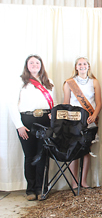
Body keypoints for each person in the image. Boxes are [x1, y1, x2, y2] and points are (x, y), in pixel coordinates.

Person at [9, 55, 56, 201]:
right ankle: (30, 189)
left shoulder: (48, 82)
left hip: (44, 121)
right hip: (27, 122)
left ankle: (41, 188)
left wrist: (52, 116)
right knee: (30, 156)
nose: (35, 65)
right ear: (27, 65)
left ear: (41, 65)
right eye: (31, 63)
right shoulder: (20, 81)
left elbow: (53, 103)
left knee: (43, 155)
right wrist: (19, 126)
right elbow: (12, 105)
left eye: (37, 62)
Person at [63, 57, 102, 189]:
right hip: (74, 121)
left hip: (89, 120)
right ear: (76, 67)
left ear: (88, 66)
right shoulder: (69, 83)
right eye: (79, 64)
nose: (82, 66)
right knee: (74, 150)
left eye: (84, 63)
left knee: (86, 150)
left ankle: (84, 181)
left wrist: (94, 116)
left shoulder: (94, 82)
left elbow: (99, 103)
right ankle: (74, 182)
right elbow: (66, 103)